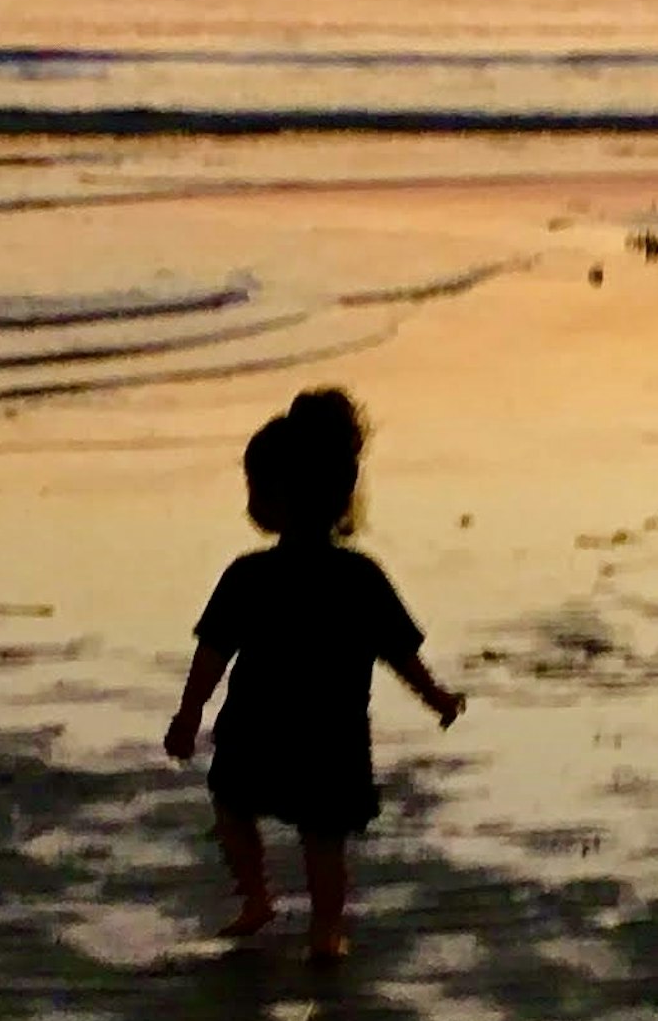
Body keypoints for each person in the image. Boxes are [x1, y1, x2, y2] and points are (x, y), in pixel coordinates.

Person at [163, 386, 463, 963]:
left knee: (237, 810)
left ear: (281, 499)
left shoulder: (253, 575)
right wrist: (437, 698)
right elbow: (399, 654)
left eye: (257, 489)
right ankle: (321, 927)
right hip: (329, 732)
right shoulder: (356, 575)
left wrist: (189, 714)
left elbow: (212, 656)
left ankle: (261, 901)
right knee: (321, 838)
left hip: (263, 725)